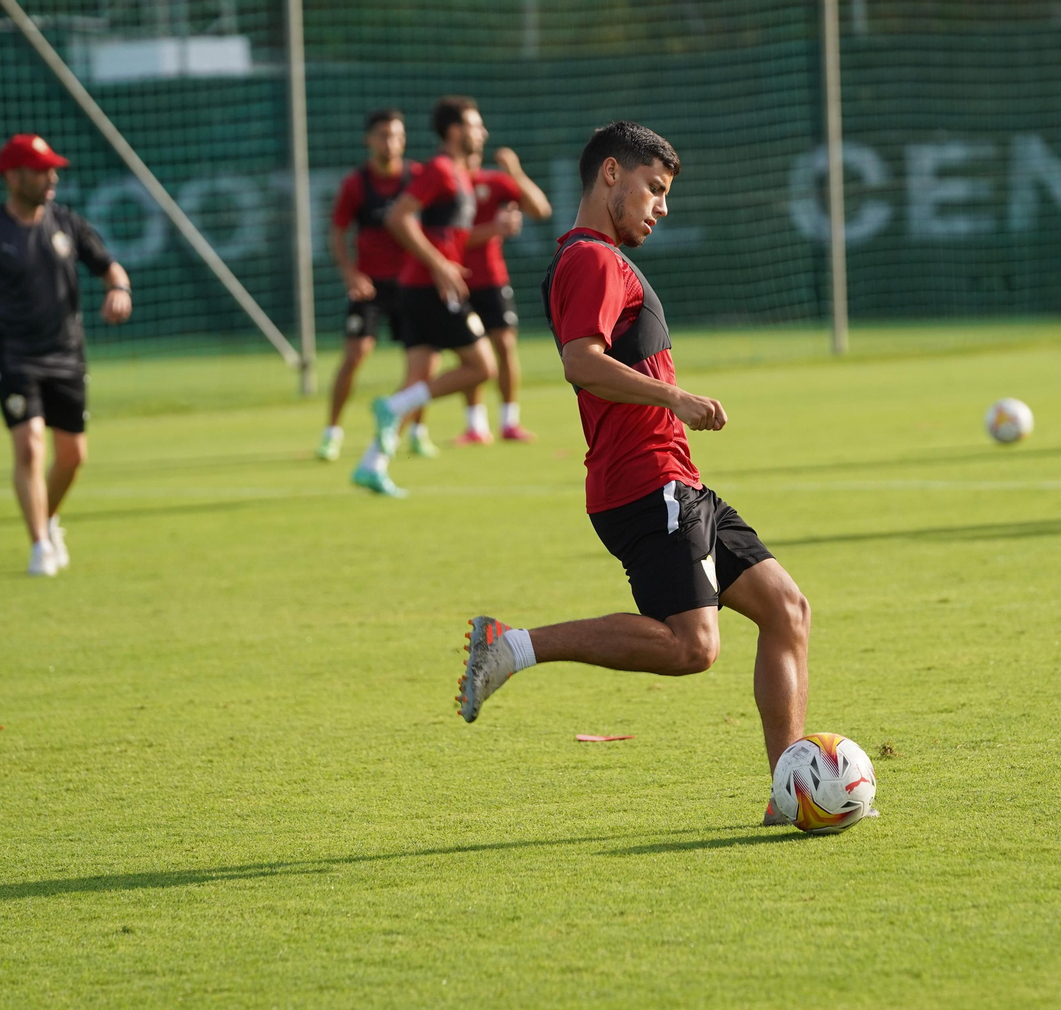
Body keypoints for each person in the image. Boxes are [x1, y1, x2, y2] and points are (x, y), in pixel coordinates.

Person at [454, 121, 820, 827]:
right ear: (610, 175)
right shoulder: (590, 260)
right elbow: (580, 362)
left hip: (677, 481)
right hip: (645, 483)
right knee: (692, 647)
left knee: (787, 611)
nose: (662, 206)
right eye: (654, 189)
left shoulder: (601, 260)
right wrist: (678, 399)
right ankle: (512, 645)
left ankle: (790, 794)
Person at [0, 134, 132, 577]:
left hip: (67, 353)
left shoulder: (67, 224)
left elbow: (109, 265)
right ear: (12, 177)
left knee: (72, 456)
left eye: (53, 169)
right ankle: (39, 547)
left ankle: (48, 518)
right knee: (30, 446)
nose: (51, 177)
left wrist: (119, 288)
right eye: (41, 169)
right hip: (14, 355)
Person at [351, 95, 497, 497]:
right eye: (474, 125)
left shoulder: (460, 173)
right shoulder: (440, 169)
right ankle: (394, 409)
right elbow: (398, 216)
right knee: (483, 367)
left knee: (417, 379)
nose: (481, 132)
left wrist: (450, 259)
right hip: (429, 288)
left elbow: (448, 235)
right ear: (454, 132)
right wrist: (439, 265)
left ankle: (371, 465)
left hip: (422, 286)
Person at [317, 109, 434, 460]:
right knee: (355, 354)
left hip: (412, 283)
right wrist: (350, 273)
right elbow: (337, 232)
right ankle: (332, 433)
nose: (390, 142)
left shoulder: (417, 177)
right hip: (370, 286)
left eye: (397, 135)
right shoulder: (356, 183)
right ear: (369, 140)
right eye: (383, 135)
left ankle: (417, 430)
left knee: (422, 363)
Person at [451, 146, 552, 445]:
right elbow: (448, 238)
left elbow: (540, 209)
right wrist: (494, 228)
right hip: (457, 279)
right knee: (470, 351)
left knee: (505, 345)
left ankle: (509, 422)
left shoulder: (494, 182)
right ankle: (476, 426)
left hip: (492, 279)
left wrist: (515, 172)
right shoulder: (446, 183)